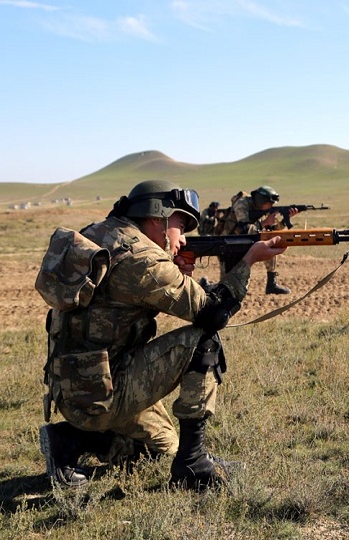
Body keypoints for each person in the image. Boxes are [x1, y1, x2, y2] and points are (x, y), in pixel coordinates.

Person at [35, 179, 286, 490]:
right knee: (201, 340)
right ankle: (193, 464)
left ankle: (70, 441)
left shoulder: (100, 234)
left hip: (76, 387)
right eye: (181, 225)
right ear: (158, 217)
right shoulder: (143, 259)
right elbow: (213, 314)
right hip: (103, 392)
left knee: (162, 447)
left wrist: (176, 274)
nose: (182, 238)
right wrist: (249, 261)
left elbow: (121, 303)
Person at [218, 185, 298, 295]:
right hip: (229, 242)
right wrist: (264, 222)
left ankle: (271, 284)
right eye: (270, 204)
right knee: (225, 283)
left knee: (270, 244)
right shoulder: (242, 204)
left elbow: (270, 230)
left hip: (247, 239)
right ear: (261, 201)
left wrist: (285, 221)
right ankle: (207, 286)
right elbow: (244, 230)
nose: (272, 206)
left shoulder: (260, 209)